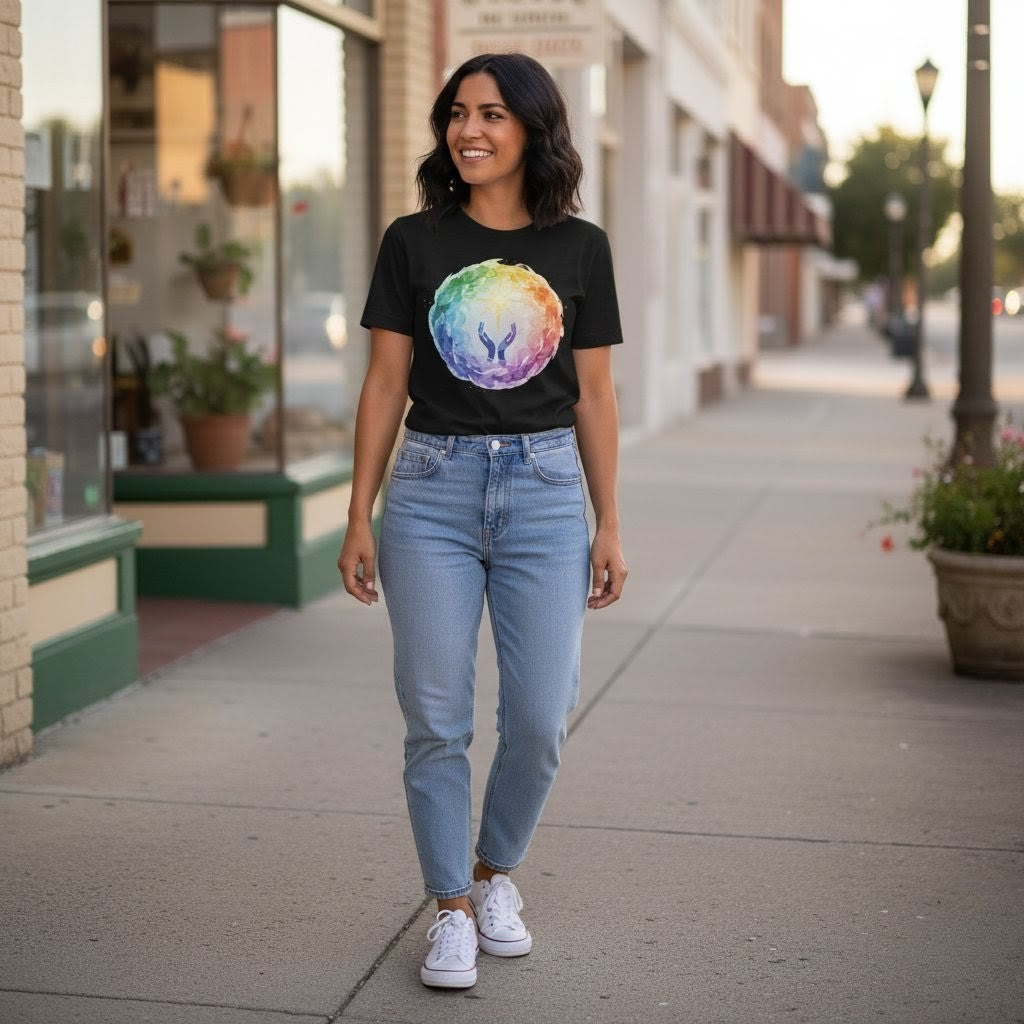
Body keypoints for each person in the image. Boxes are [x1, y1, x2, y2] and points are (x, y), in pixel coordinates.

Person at [337, 51, 627, 990]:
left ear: (533, 131)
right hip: (431, 491)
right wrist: (360, 515)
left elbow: (595, 397)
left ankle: (497, 872)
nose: (469, 130)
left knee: (541, 717)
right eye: (458, 113)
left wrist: (609, 522)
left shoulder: (581, 249)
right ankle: (451, 906)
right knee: (435, 719)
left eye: (494, 114)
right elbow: (384, 384)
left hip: (545, 492)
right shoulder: (412, 243)